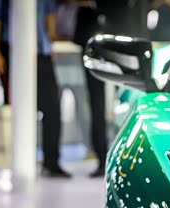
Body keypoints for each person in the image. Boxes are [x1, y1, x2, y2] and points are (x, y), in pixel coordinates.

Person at [0, 0, 71, 178]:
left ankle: (51, 162)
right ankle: (19, 160)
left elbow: (49, 11)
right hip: (14, 49)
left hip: (42, 50)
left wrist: (50, 39)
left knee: (53, 108)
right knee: (20, 108)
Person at [70, 1, 107, 178]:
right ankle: (102, 157)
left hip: (106, 46)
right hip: (94, 51)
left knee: (99, 106)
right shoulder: (86, 13)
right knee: (96, 106)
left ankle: (104, 157)